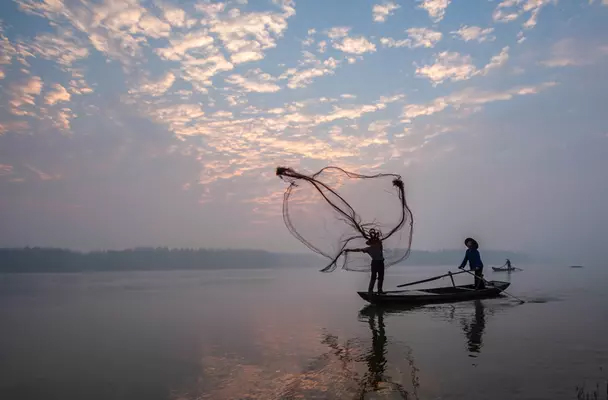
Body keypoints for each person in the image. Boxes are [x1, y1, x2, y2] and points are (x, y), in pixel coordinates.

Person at [346, 229, 385, 294]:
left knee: (381, 277)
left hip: (380, 263)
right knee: (374, 277)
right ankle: (370, 291)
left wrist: (375, 237)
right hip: (375, 263)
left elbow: (380, 242)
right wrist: (349, 250)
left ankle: (379, 290)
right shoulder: (369, 249)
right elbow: (358, 250)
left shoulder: (379, 245)